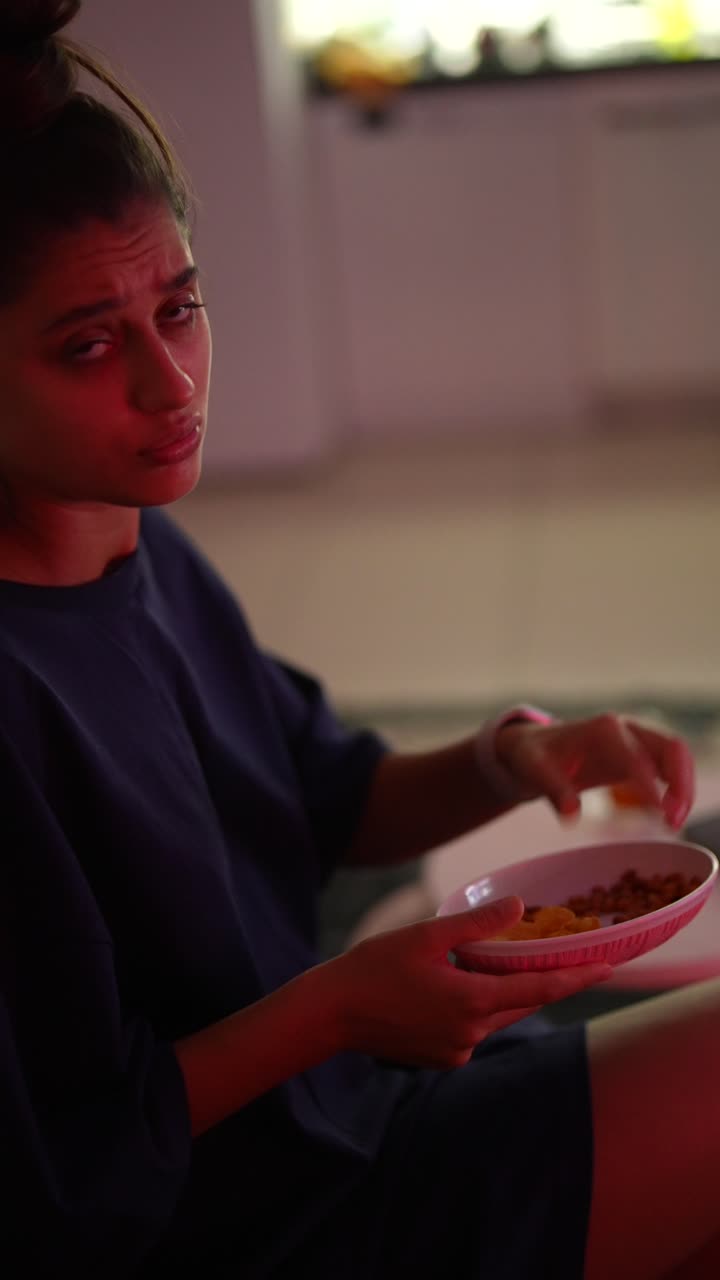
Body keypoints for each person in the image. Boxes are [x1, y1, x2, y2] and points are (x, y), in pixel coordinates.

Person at [0, 4, 718, 1278]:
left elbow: (330, 800)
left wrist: (511, 758)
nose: (174, 386)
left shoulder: (137, 544)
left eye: (181, 306)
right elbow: (64, 1178)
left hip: (354, 1105)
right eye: (89, 345)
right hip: (266, 1225)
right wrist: (335, 1003)